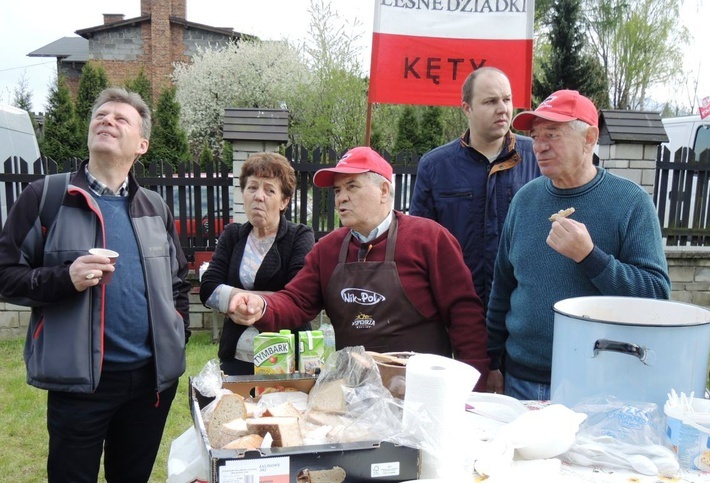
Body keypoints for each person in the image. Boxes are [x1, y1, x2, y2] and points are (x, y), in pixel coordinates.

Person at [0, 87, 191, 483]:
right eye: (101, 115)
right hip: (80, 387)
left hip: (149, 385)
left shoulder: (154, 206)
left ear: (142, 144)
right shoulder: (47, 197)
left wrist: (178, 334)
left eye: (122, 118)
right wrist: (64, 278)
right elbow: (5, 274)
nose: (107, 120)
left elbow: (177, 282)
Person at [225, 146, 490, 388]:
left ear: (384, 191)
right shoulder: (327, 249)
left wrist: (473, 387)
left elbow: (464, 316)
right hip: (355, 390)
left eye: (352, 187)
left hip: (423, 391)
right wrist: (262, 306)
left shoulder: (429, 239)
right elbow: (296, 301)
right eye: (338, 190)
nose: (341, 198)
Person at [485, 90, 671, 400]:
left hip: (598, 383)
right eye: (535, 135)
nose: (539, 146)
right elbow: (502, 289)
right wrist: (491, 361)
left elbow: (656, 296)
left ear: (589, 138)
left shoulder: (630, 203)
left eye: (553, 134)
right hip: (521, 379)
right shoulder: (525, 201)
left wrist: (589, 256)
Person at [410, 66, 541, 308]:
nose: (502, 109)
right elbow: (417, 246)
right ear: (467, 108)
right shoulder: (436, 166)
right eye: (491, 101)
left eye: (507, 99)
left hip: (520, 307)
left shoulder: (537, 158)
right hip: (456, 308)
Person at [200, 152, 315, 375]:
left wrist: (243, 301)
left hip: (285, 359)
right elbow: (208, 287)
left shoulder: (299, 237)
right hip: (236, 357)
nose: (258, 196)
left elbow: (298, 296)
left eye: (269, 190)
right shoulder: (232, 235)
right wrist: (243, 300)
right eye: (252, 188)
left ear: (284, 201)